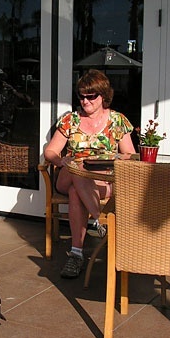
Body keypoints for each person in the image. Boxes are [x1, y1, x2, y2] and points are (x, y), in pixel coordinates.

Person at [44, 69, 136, 279]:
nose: (85, 101)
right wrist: (61, 160)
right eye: (82, 96)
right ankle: (100, 220)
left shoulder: (117, 120)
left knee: (77, 191)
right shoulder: (71, 120)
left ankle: (76, 254)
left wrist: (118, 159)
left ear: (103, 95)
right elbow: (50, 151)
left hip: (102, 178)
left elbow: (130, 154)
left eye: (90, 96)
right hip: (69, 174)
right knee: (79, 168)